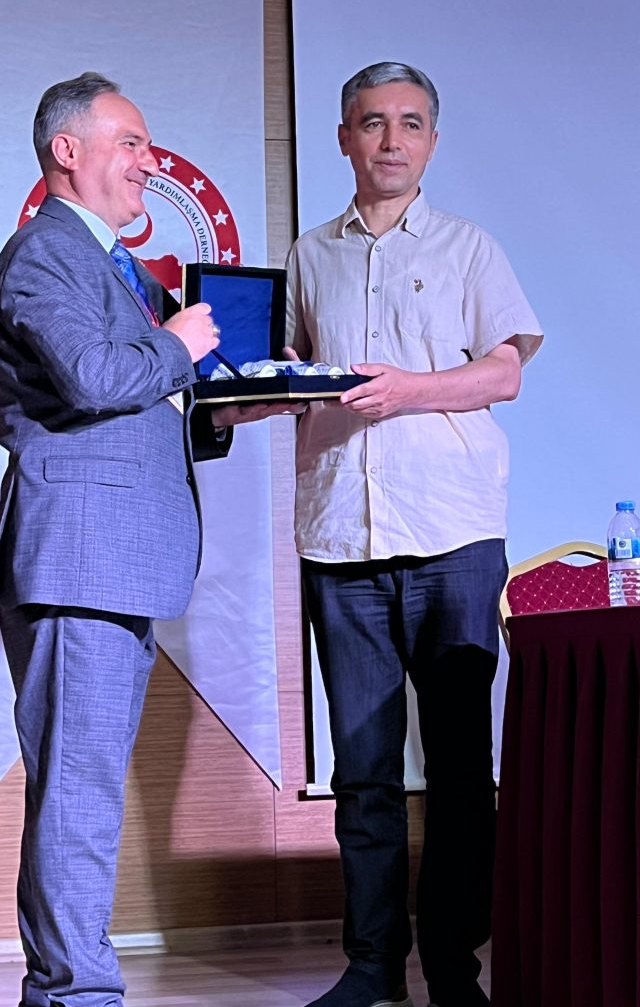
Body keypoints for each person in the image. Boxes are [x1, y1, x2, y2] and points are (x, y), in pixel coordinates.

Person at [0, 71, 286, 1007]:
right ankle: (76, 995)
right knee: (78, 789)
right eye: (131, 143)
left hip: (114, 560)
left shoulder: (113, 264)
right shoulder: (46, 254)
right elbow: (91, 376)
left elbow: (133, 402)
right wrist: (181, 345)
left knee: (86, 786)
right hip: (81, 558)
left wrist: (226, 409)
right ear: (66, 150)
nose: (149, 162)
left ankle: (69, 988)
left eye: (148, 145)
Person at [285, 62, 543, 1007]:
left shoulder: (471, 247)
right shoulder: (309, 256)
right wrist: (251, 391)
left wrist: (409, 391)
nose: (390, 140)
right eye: (372, 122)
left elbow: (505, 373)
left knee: (463, 772)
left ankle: (454, 968)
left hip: (452, 539)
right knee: (363, 774)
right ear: (344, 139)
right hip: (340, 541)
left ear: (432, 141)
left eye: (409, 123)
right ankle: (371, 967)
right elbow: (294, 372)